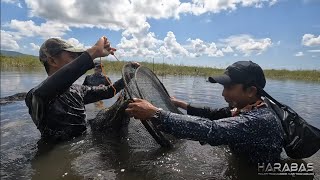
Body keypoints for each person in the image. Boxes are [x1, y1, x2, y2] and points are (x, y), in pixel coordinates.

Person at [125, 61, 284, 164]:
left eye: (229, 88)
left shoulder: (260, 119)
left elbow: (212, 130)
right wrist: (181, 104)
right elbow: (213, 114)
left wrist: (156, 114)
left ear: (250, 91)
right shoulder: (250, 106)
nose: (223, 94)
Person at [25, 36, 138, 142]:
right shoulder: (36, 96)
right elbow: (52, 85)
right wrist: (94, 51)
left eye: (78, 57)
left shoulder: (78, 90)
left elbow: (109, 91)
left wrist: (128, 77)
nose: (77, 60)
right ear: (52, 61)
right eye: (72, 56)